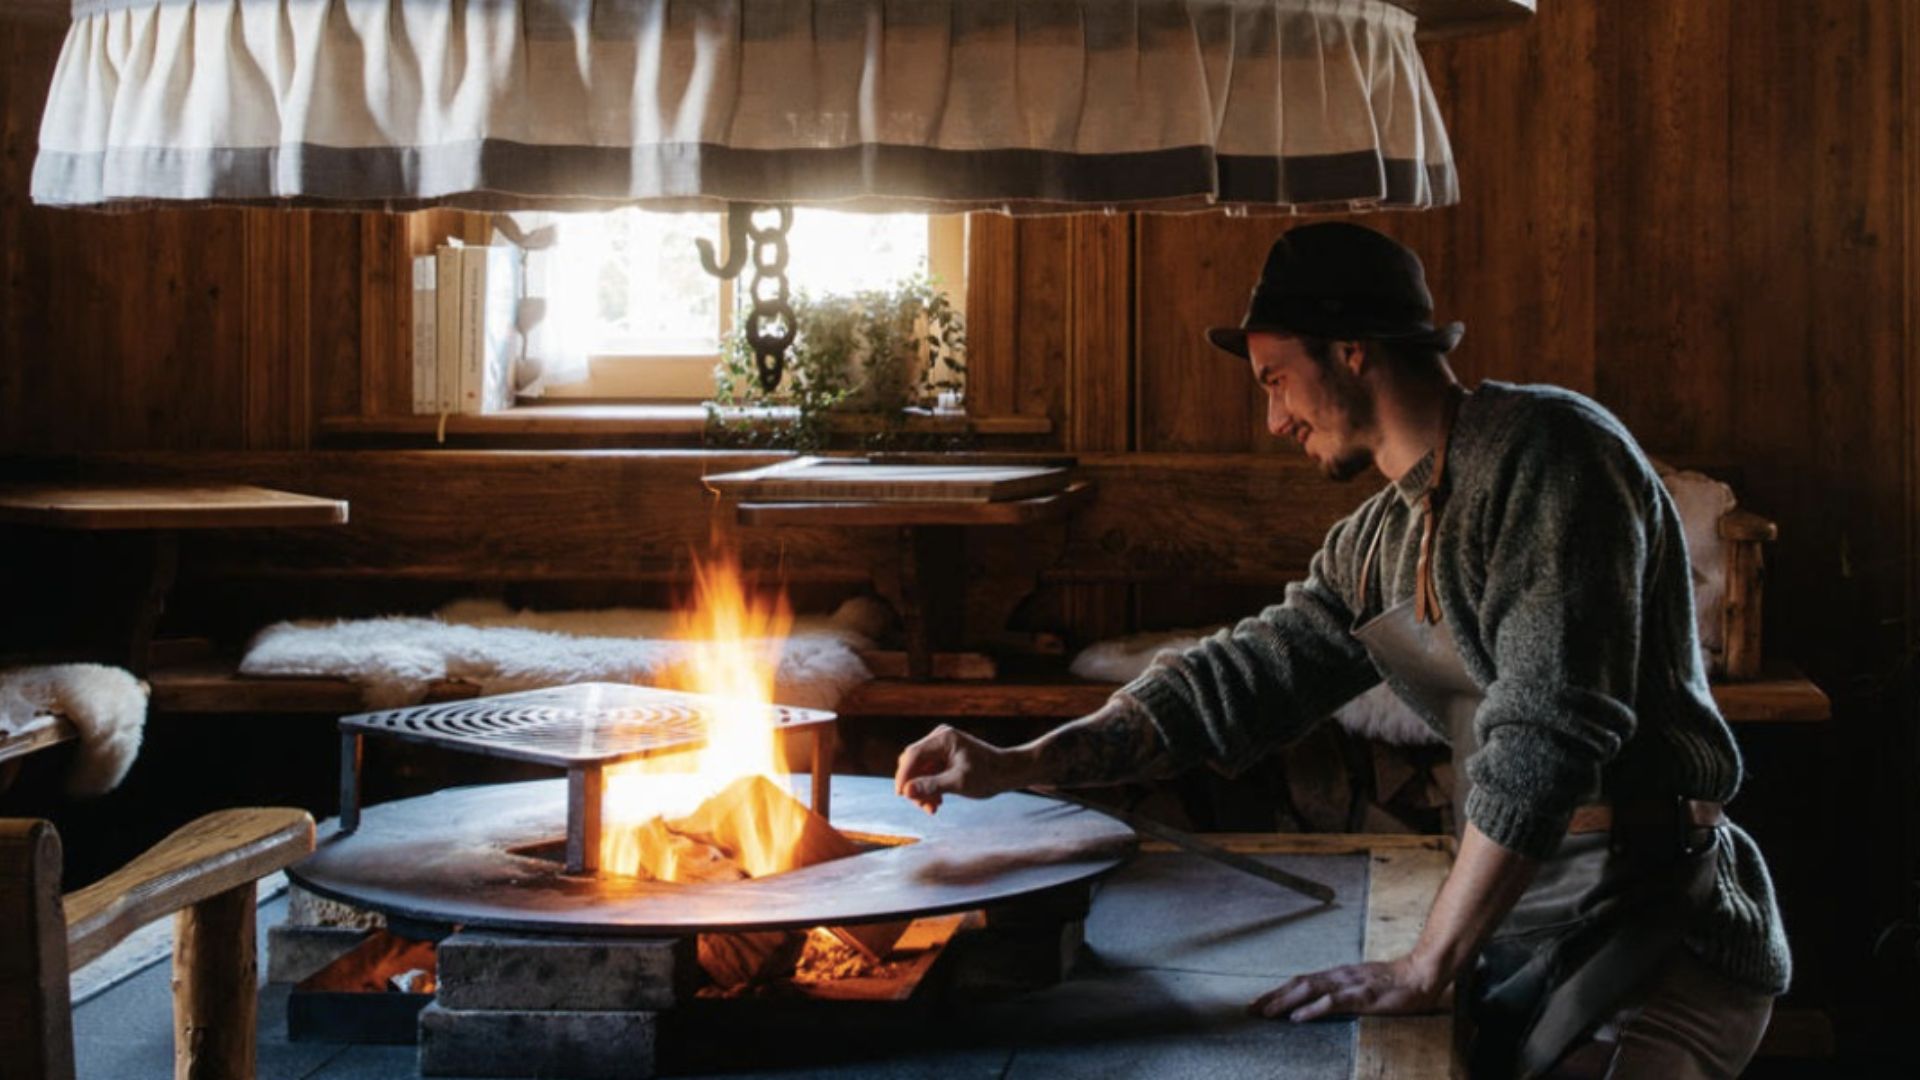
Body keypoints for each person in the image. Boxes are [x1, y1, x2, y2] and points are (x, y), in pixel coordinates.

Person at [893, 222, 1789, 1079]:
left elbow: (1549, 730)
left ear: (1352, 348)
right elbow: (1236, 681)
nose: (1274, 418)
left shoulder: (1549, 454)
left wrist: (1425, 965)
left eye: (1276, 379)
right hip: (1522, 934)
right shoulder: (1374, 544)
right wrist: (1020, 763)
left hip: (1649, 932)